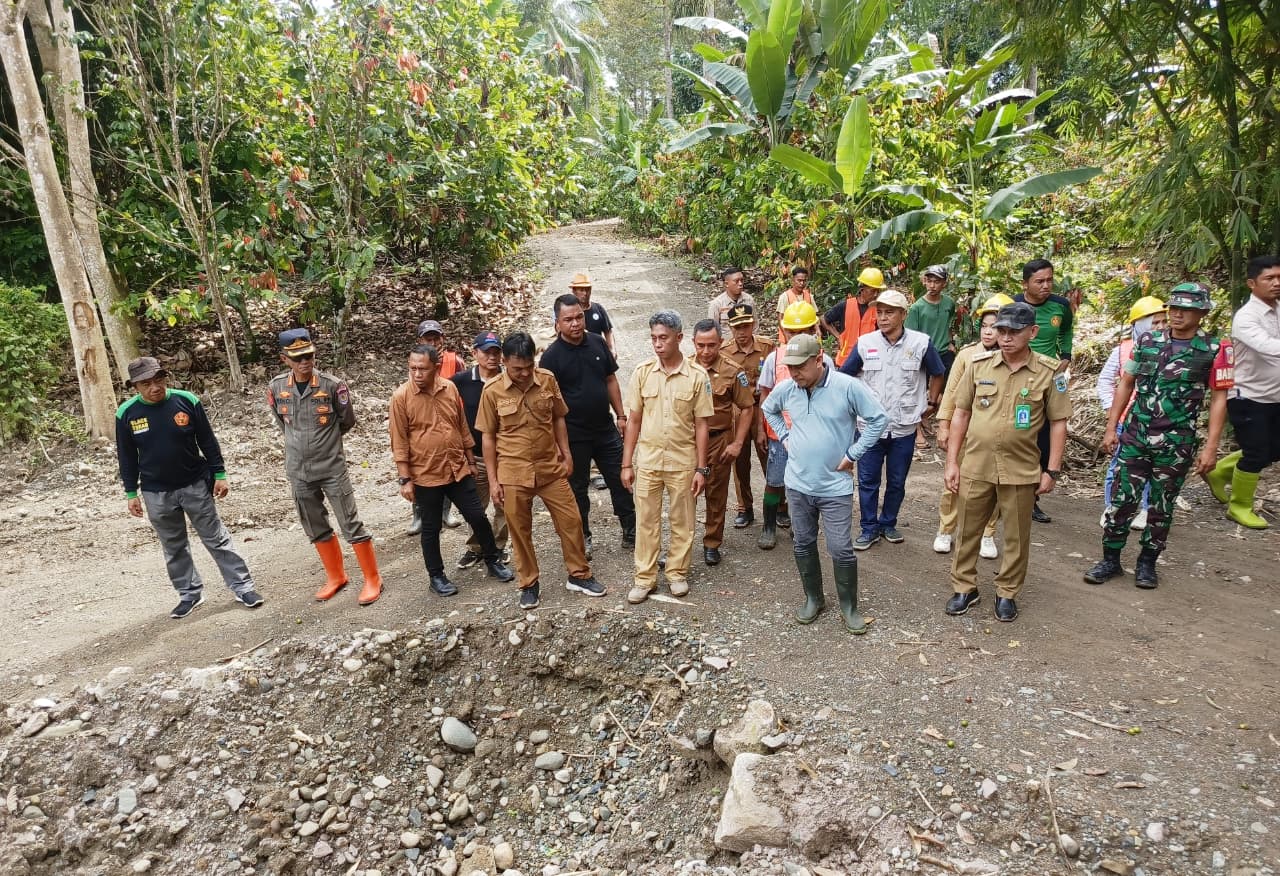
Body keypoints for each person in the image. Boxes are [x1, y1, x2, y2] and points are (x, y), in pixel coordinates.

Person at [1084, 284, 1232, 589]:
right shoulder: (1148, 340)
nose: (1177, 314)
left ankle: (1147, 563)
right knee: (1122, 501)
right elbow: (1126, 384)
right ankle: (1110, 560)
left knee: (1162, 506)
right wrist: (1112, 427)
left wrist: (1211, 447)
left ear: (1202, 312)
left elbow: (1219, 399)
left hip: (1176, 443)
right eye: (1173, 307)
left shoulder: (1215, 349)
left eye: (1186, 309)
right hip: (1135, 436)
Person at [942, 302, 1071, 622]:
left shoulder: (1051, 371)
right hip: (976, 464)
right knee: (967, 530)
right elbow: (961, 413)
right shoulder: (978, 364)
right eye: (1001, 330)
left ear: (1033, 332)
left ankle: (1007, 592)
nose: (1006, 337)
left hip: (1021, 468)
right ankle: (964, 587)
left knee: (1015, 535)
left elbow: (1059, 423)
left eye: (1014, 331)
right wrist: (951, 462)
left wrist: (1052, 469)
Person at [116, 356, 263, 619]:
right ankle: (189, 594)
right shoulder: (126, 413)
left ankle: (243, 587)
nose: (155, 387)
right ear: (135, 386)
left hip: (194, 483)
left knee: (216, 538)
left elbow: (207, 440)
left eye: (158, 379)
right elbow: (127, 457)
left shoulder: (186, 401)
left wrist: (219, 473)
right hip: (155, 491)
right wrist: (130, 492)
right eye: (146, 383)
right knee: (173, 546)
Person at [762, 334, 887, 633]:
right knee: (803, 542)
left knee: (840, 547)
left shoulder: (847, 387)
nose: (794, 373)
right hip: (798, 484)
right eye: (790, 367)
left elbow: (878, 419)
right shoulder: (788, 388)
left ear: (818, 360)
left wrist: (854, 453)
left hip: (834, 487)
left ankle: (849, 606)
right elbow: (769, 408)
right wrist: (787, 437)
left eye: (800, 366)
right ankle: (813, 598)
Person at [478, 332, 606, 609]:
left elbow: (559, 416)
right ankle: (529, 584)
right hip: (513, 472)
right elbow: (488, 437)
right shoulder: (492, 391)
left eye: (528, 367)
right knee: (520, 530)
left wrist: (567, 453)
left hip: (550, 467)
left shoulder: (546, 379)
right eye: (517, 369)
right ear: (504, 362)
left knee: (571, 520)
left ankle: (579, 574)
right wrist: (493, 480)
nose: (524, 374)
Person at [268, 328, 384, 605]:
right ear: (285, 359)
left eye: (309, 355)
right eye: (298, 358)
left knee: (350, 523)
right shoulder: (276, 387)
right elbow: (281, 422)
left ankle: (372, 578)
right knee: (314, 524)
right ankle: (336, 576)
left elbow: (347, 421)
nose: (305, 362)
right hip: (298, 470)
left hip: (331, 467)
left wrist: (324, 443)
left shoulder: (333, 385)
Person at [389, 343, 515, 597]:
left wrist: (470, 460)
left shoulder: (449, 388)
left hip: (457, 468)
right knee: (431, 527)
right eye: (412, 368)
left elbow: (461, 426)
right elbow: (399, 442)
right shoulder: (401, 397)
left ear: (436, 368)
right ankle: (436, 576)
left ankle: (492, 560)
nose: (416, 374)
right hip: (426, 474)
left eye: (422, 369)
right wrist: (405, 479)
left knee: (477, 516)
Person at [839, 289, 946, 549]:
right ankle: (868, 528)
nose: (883, 318)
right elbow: (845, 376)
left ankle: (888, 522)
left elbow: (938, 372)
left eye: (890, 313)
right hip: (869, 428)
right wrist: (854, 406)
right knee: (867, 481)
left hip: (904, 427)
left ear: (903, 315)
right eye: (880, 312)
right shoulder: (866, 343)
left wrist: (931, 402)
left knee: (897, 481)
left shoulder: (920, 343)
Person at [621, 310, 713, 604]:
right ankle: (644, 578)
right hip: (648, 460)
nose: (658, 344)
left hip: (683, 461)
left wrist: (702, 468)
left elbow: (702, 425)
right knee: (645, 519)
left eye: (663, 338)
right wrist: (627, 463)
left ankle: (676, 573)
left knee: (682, 520)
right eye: (653, 338)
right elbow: (633, 420)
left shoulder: (696, 376)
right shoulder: (642, 372)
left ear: (679, 339)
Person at [540, 293, 637, 557]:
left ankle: (631, 531)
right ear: (557, 323)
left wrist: (620, 415)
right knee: (577, 489)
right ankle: (583, 536)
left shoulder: (596, 342)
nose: (575, 323)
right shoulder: (550, 358)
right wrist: (558, 446)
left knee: (622, 481)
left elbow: (610, 380)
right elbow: (548, 407)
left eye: (578, 317)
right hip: (574, 435)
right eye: (568, 319)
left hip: (605, 429)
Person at [933, 294, 1013, 558]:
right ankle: (946, 529)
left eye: (997, 326)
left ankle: (987, 534)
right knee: (954, 483)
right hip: (965, 432)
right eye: (985, 326)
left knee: (994, 487)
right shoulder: (968, 355)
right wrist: (944, 426)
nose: (989, 331)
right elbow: (951, 392)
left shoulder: (1014, 360)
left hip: (996, 436)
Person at [1205, 254, 1280, 528]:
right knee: (1257, 454)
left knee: (1273, 450)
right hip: (1249, 397)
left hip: (1276, 396)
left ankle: (1221, 471)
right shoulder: (1246, 318)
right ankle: (1239, 506)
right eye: (1269, 278)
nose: (1276, 283)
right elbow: (1268, 347)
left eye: (1279, 278)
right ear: (1251, 283)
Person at [756, 300, 829, 549]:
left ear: (813, 331)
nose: (796, 336)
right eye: (791, 332)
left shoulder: (824, 360)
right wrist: (762, 429)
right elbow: (764, 396)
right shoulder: (774, 358)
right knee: (775, 480)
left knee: (807, 484)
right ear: (783, 330)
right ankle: (768, 526)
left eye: (802, 331)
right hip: (781, 435)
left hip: (813, 436)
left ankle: (803, 528)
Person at [1096, 296, 1167, 529]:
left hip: (1158, 420)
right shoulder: (1123, 350)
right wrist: (1111, 409)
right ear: (1139, 325)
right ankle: (1111, 506)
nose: (1160, 327)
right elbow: (1106, 381)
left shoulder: (1173, 348)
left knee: (1153, 466)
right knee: (1118, 465)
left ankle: (1146, 510)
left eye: (1162, 322)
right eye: (1154, 323)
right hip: (1127, 419)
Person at [1013, 258, 1073, 524]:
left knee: (1047, 438)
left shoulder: (1061, 306)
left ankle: (1032, 497)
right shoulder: (1013, 305)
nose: (1046, 285)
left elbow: (1068, 330)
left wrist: (1067, 355)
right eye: (1039, 281)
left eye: (1050, 280)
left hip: (1051, 377)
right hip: (1019, 380)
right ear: (1025, 284)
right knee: (1019, 432)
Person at [691, 319, 755, 565]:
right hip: (689, 442)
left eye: (711, 345)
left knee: (716, 493)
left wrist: (738, 443)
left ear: (720, 343)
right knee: (685, 494)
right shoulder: (685, 367)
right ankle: (680, 544)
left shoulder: (733, 370)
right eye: (701, 345)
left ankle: (711, 542)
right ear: (693, 343)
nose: (706, 352)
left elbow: (747, 407)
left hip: (719, 440)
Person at [450, 330, 510, 570]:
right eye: (487, 352)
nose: (492, 357)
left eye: (497, 352)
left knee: (504, 505)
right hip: (475, 455)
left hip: (504, 453)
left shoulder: (508, 379)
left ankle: (498, 546)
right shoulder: (461, 381)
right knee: (476, 505)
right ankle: (477, 546)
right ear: (475, 353)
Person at [410, 319, 469, 533]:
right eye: (428, 338)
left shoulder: (455, 361)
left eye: (436, 338)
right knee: (421, 470)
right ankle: (419, 514)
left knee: (450, 470)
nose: (433, 342)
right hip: (424, 423)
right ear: (421, 340)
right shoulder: (417, 363)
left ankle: (446, 511)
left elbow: (464, 392)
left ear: (442, 339)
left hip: (450, 422)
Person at [722, 302, 774, 528]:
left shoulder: (766, 347)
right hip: (737, 412)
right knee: (740, 463)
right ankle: (745, 508)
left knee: (770, 461)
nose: (741, 333)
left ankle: (779, 506)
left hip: (763, 410)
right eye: (736, 328)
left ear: (753, 324)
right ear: (731, 328)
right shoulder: (724, 351)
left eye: (745, 326)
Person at [907, 265, 958, 450]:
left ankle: (927, 420)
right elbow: (911, 334)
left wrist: (951, 341)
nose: (932, 285)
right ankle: (917, 431)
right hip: (924, 352)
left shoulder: (949, 303)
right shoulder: (917, 308)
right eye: (929, 281)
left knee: (944, 393)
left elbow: (950, 322)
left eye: (937, 281)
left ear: (944, 283)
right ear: (924, 281)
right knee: (918, 393)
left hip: (944, 352)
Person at [823, 266, 886, 366]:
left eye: (878, 291)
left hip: (869, 361)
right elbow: (824, 319)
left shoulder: (878, 310)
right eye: (873, 291)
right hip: (845, 360)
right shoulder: (846, 305)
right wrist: (838, 336)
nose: (875, 295)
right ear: (862, 288)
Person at [568, 272, 616, 355]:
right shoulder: (569, 312)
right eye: (581, 290)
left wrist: (612, 349)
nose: (585, 293)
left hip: (597, 352)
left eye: (587, 290)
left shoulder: (598, 308)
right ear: (574, 291)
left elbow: (608, 331)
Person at [775, 266, 818, 341]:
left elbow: (815, 316)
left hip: (807, 337)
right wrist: (786, 335)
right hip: (790, 335)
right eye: (799, 280)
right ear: (793, 280)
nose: (802, 283)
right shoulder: (785, 297)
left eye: (804, 281)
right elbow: (780, 318)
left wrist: (818, 330)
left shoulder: (809, 296)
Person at [707, 267, 756, 332]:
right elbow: (712, 330)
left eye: (742, 280)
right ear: (726, 284)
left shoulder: (749, 300)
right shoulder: (717, 304)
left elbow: (755, 326)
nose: (740, 284)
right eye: (736, 281)